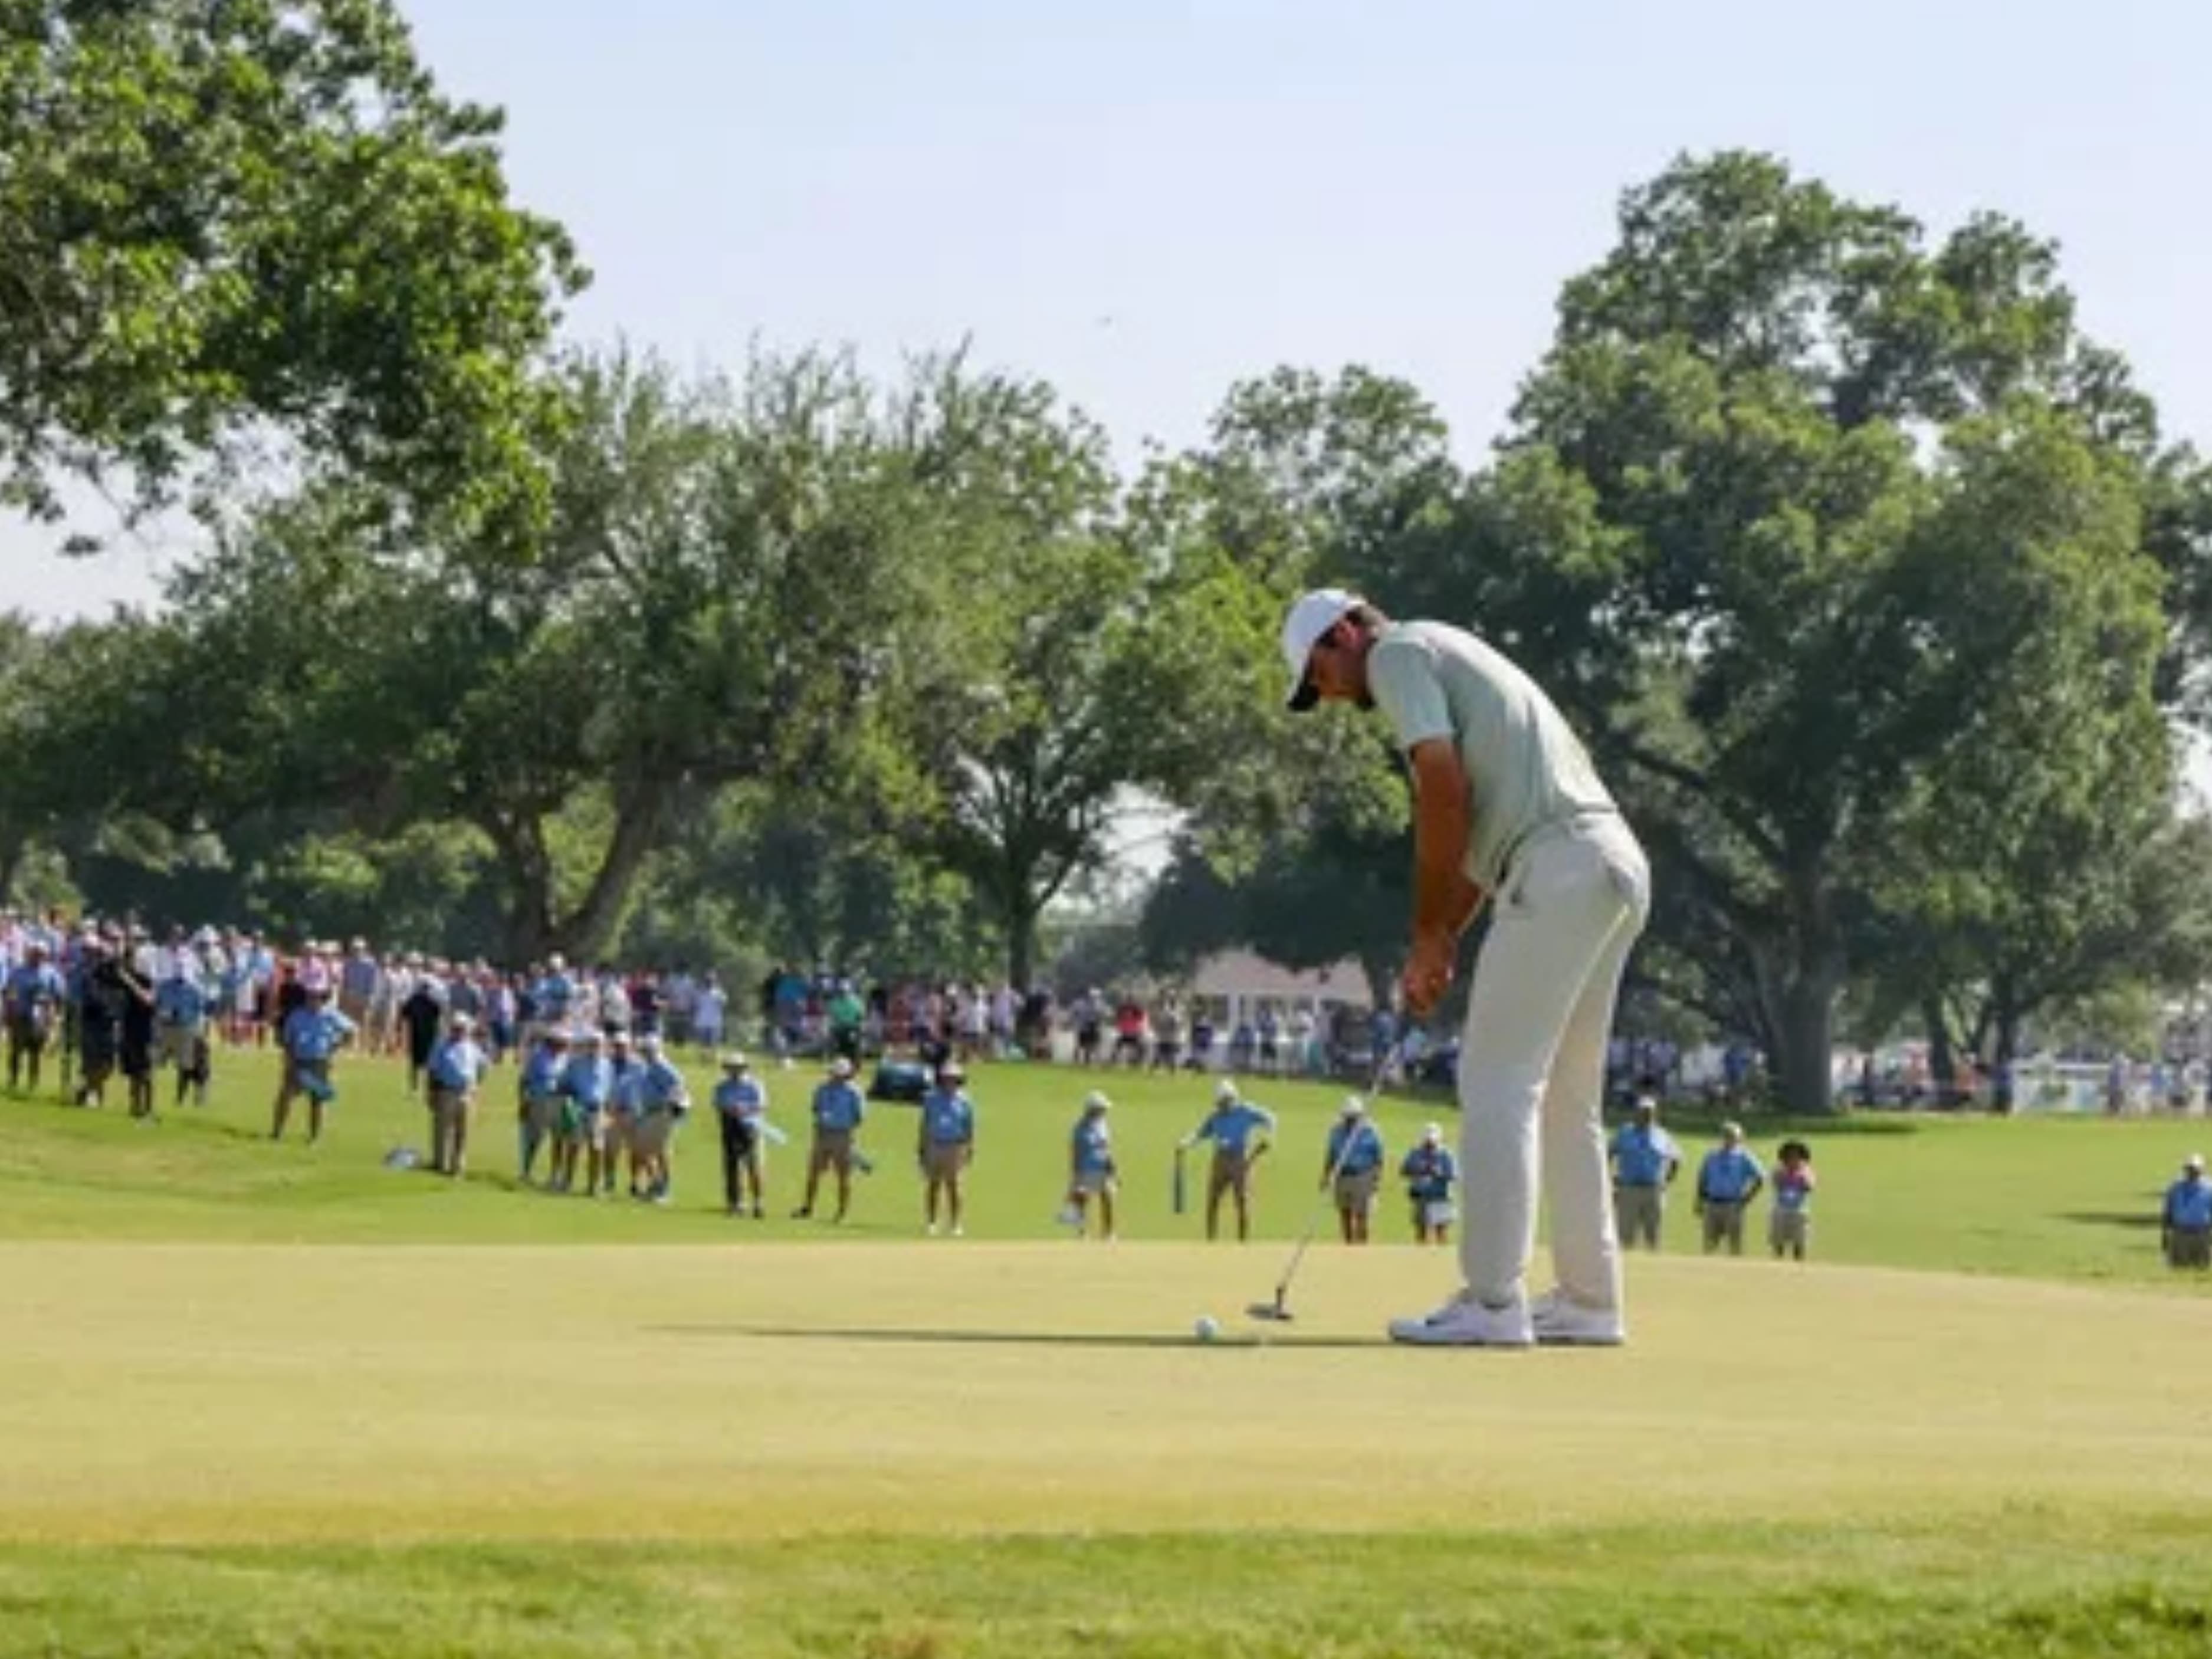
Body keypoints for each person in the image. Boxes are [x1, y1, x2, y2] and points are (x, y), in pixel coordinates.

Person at [1282, 587, 1649, 1346]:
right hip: (1608, 863)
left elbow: (1442, 790)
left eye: (1319, 673)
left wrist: (1422, 931)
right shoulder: (1448, 651)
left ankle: (1491, 1301)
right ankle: (1588, 1300)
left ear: (1345, 631)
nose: (1328, 692)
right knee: (1566, 1100)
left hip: (1559, 865)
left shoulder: (1398, 654)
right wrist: (1441, 938)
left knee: (1497, 1081)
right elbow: (1479, 848)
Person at [1180, 1078, 1277, 1242]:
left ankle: (1243, 1241)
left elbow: (1271, 1119)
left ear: (1233, 1098)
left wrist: (1266, 1138)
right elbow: (1201, 1133)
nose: (1222, 1105)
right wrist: (1186, 1143)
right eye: (1220, 1101)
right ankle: (1211, 1240)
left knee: (1242, 1201)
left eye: (1225, 1101)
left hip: (1241, 1158)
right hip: (1220, 1158)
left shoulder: (1246, 1110)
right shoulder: (1215, 1116)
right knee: (1212, 1200)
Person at [271, 981, 356, 1144]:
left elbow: (351, 1030)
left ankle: (315, 1137)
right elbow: (287, 1040)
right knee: (286, 1097)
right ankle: (277, 1132)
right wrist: (289, 1059)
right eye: (310, 996)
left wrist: (335, 1048)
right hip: (299, 1061)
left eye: (317, 997)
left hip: (320, 1063)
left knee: (317, 1101)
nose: (312, 1000)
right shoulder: (297, 1015)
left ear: (323, 998)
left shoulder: (331, 1015)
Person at [795, 1056, 866, 1222]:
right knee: (813, 1173)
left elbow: (859, 1117)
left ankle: (842, 1213)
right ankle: (808, 1208)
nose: (836, 1077)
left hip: (843, 1135)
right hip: (822, 1133)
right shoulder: (822, 1089)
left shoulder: (854, 1092)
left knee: (843, 1176)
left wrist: (843, 1126)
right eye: (834, 1073)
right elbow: (815, 1108)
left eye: (840, 1074)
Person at [1609, 1094, 1681, 1250]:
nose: (1646, 1115)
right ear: (1636, 1112)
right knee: (1625, 1234)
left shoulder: (1662, 1135)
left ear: (1655, 1114)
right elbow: (1609, 1153)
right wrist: (1611, 1180)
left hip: (1653, 1189)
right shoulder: (1624, 1133)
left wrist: (1667, 1182)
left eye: (1650, 1112)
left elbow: (1676, 1159)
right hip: (1629, 1189)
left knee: (1653, 1235)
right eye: (1643, 1111)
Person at [424, 1013, 490, 1178]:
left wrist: (477, 1087)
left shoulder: (473, 1048)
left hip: (467, 1092)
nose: (458, 1031)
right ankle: (441, 1163)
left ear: (468, 1030)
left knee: (464, 1131)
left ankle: (458, 1165)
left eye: (461, 1028)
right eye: (455, 1028)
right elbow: (432, 1071)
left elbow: (483, 1067)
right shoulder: (441, 1046)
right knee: (443, 1129)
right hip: (446, 1091)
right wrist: (431, 1093)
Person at [917, 1059, 977, 1236]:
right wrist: (921, 1148)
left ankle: (956, 1223)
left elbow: (970, 1127)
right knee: (933, 1185)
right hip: (935, 1144)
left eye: (953, 1079)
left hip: (955, 1146)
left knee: (954, 1186)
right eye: (946, 1078)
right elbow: (925, 1124)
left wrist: (970, 1148)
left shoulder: (965, 1102)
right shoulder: (931, 1099)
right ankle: (932, 1222)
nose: (949, 1082)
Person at [628, 1032, 690, 1204]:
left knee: (660, 1151)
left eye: (646, 1049)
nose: (643, 1052)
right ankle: (656, 1184)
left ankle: (664, 1189)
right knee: (643, 1148)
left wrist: (668, 1104)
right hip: (649, 1112)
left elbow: (678, 1085)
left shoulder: (662, 1065)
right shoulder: (648, 1065)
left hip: (662, 1112)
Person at [1695, 1123, 1766, 1255]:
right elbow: (1703, 1179)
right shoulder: (1712, 1156)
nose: (1729, 1139)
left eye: (1733, 1136)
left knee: (1735, 1245)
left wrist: (1746, 1199)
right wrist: (1700, 1201)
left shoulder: (1744, 1157)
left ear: (1740, 1139)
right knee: (1709, 1244)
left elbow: (1761, 1177)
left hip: (1733, 1205)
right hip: (1712, 1204)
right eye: (1726, 1135)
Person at [1324, 1096, 1386, 1244]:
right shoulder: (1336, 1130)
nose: (1350, 1120)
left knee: (1362, 1215)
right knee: (1345, 1213)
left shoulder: (1371, 1131)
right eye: (1348, 1116)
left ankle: (1363, 1248)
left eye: (1354, 1116)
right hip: (1342, 1176)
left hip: (1363, 1176)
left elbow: (1379, 1159)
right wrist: (1326, 1176)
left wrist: (1376, 1181)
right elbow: (1331, 1155)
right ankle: (1348, 1245)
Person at [713, 1052, 769, 1217]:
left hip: (750, 1129)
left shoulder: (754, 1085)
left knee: (754, 1166)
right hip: (730, 1128)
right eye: (731, 1068)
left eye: (736, 1068)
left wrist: (745, 1108)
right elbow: (718, 1103)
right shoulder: (722, 1087)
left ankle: (758, 1202)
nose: (733, 1071)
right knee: (732, 1167)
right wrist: (730, 1108)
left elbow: (762, 1105)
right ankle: (735, 1203)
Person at [4, 941, 64, 1094]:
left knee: (35, 1052)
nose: (38, 957)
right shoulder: (18, 971)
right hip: (20, 1016)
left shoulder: (51, 973)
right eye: (36, 953)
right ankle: (13, 1079)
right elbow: (9, 992)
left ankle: (33, 1082)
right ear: (30, 954)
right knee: (16, 1051)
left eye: (41, 954)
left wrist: (55, 1015)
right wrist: (7, 1011)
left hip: (40, 1019)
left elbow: (59, 995)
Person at [1062, 1091, 1118, 1240]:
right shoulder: (1080, 1129)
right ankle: (1082, 1233)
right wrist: (1076, 1175)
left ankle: (1109, 1233)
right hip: (1087, 1168)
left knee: (1108, 1197)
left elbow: (1107, 1147)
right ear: (1092, 1109)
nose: (1105, 1111)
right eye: (1102, 1109)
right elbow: (1076, 1152)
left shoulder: (1104, 1125)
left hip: (1103, 1167)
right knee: (1083, 1200)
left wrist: (1113, 1166)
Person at [1400, 1122, 1458, 1245]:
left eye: (1432, 1141)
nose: (1430, 1144)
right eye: (1428, 1141)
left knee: (1441, 1231)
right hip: (1422, 1196)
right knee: (1421, 1230)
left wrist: (1439, 1173)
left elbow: (1454, 1175)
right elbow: (1404, 1170)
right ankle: (1421, 1258)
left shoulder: (1446, 1155)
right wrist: (1418, 1170)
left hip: (1441, 1197)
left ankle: (1440, 1258)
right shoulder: (1415, 1153)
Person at [2161, 1153, 2212, 1270]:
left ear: (2202, 1170)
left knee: (2202, 1267)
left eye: (2196, 1169)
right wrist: (2165, 1234)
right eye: (2190, 1169)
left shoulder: (2210, 1188)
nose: (2193, 1172)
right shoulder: (2176, 1187)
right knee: (2179, 1268)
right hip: (2180, 1233)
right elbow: (2168, 1211)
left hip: (2202, 1233)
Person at [1769, 1138, 1816, 1261]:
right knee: (1778, 1241)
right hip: (1781, 1209)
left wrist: (1801, 1177)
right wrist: (1786, 1175)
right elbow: (1776, 1183)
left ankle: (1799, 1263)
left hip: (1799, 1209)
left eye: (1796, 1155)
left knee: (1799, 1242)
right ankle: (1778, 1260)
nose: (1793, 1158)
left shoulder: (1806, 1171)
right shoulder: (1779, 1171)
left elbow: (1810, 1186)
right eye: (1790, 1155)